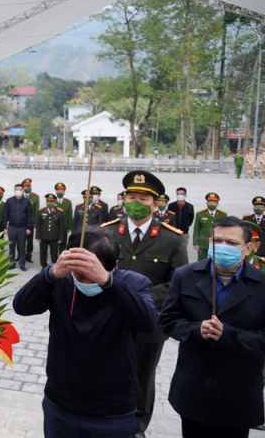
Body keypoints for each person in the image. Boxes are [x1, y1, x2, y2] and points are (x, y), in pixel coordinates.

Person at [13, 227, 158, 438]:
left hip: (112, 411)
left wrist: (108, 283)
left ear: (114, 265)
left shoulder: (135, 283)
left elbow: (148, 323)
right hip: (60, 403)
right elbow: (21, 306)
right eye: (79, 276)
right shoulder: (62, 278)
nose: (83, 282)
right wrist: (50, 275)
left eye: (92, 277)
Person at [100, 170, 187, 437]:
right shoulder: (108, 232)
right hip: (108, 318)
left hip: (149, 323)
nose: (136, 202)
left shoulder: (173, 238)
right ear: (124, 199)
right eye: (131, 196)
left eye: (143, 198)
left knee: (142, 377)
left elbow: (178, 282)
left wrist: (137, 295)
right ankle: (104, 414)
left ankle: (138, 425)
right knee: (105, 369)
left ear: (156, 203)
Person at [161, 216, 265, 437]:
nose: (222, 247)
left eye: (232, 243)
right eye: (217, 241)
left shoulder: (261, 283)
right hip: (193, 389)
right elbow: (168, 320)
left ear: (248, 248)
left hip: (238, 393)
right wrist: (195, 330)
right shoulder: (185, 275)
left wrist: (228, 335)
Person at [3, 184, 33, 271]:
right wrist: (5, 227)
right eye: (17, 189)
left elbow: (29, 215)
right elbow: (5, 214)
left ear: (23, 190)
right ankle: (12, 263)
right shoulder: (9, 201)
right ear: (14, 190)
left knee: (22, 246)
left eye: (20, 189)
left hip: (22, 227)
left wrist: (28, 228)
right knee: (11, 246)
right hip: (12, 227)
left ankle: (22, 263)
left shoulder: (27, 201)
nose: (18, 191)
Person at [194, 193, 227, 261]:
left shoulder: (222, 214)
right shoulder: (200, 214)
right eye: (210, 202)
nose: (212, 204)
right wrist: (196, 243)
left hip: (217, 243)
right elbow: (196, 229)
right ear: (207, 203)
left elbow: (225, 230)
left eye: (214, 202)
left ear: (217, 204)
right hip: (203, 243)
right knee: (201, 261)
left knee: (216, 261)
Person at [35, 194, 65, 267]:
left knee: (54, 253)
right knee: (43, 252)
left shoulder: (59, 212)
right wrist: (38, 236)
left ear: (55, 202)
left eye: (52, 202)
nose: (50, 203)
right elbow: (38, 225)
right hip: (43, 236)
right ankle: (43, 265)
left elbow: (61, 226)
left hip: (54, 236)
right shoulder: (41, 211)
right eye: (48, 201)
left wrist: (61, 238)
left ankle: (53, 266)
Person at [167, 187, 194, 264]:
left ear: (185, 195)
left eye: (182, 194)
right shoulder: (171, 206)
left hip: (184, 232)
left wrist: (186, 226)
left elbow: (191, 219)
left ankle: (183, 265)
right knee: (171, 250)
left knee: (183, 250)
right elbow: (169, 218)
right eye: (178, 194)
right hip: (172, 232)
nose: (180, 195)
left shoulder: (189, 206)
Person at [22, 178, 39, 263]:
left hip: (30, 222)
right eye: (26, 186)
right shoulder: (19, 195)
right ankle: (20, 255)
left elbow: (36, 210)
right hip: (21, 222)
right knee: (20, 240)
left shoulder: (35, 197)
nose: (28, 187)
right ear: (23, 187)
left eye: (29, 186)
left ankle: (28, 255)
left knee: (29, 240)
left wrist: (35, 222)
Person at [54, 182, 73, 254]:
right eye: (58, 191)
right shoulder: (53, 201)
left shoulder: (67, 202)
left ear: (64, 192)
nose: (60, 192)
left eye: (62, 191)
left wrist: (69, 226)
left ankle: (62, 255)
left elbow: (69, 214)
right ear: (56, 191)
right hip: (54, 227)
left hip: (64, 227)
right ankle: (55, 258)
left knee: (63, 243)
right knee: (54, 244)